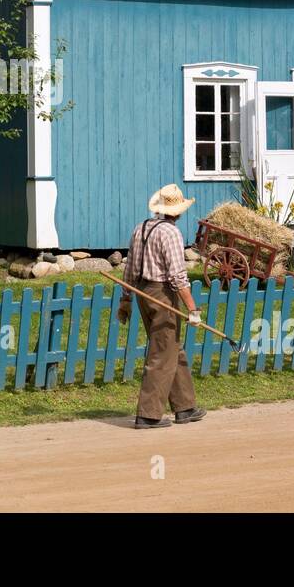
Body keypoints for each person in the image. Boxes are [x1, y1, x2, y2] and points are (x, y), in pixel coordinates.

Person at [117, 184, 208, 429]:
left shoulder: (141, 228)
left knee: (170, 348)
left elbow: (130, 268)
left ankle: (185, 407)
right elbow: (178, 276)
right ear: (178, 211)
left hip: (142, 292)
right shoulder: (171, 233)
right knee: (161, 353)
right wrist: (193, 309)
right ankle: (148, 415)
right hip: (162, 295)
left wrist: (126, 298)